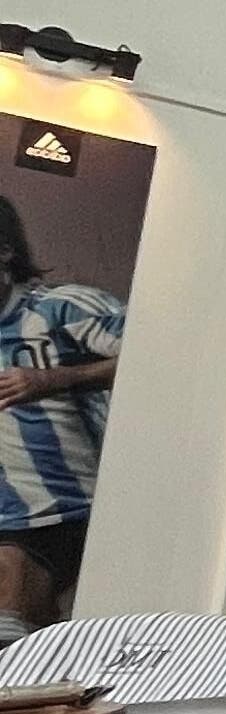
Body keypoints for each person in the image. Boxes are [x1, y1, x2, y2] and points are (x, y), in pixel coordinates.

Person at [0, 195, 123, 651]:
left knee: (11, 636)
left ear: (5, 251)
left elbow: (164, 355)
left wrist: (57, 379)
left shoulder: (62, 309)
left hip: (59, 509)